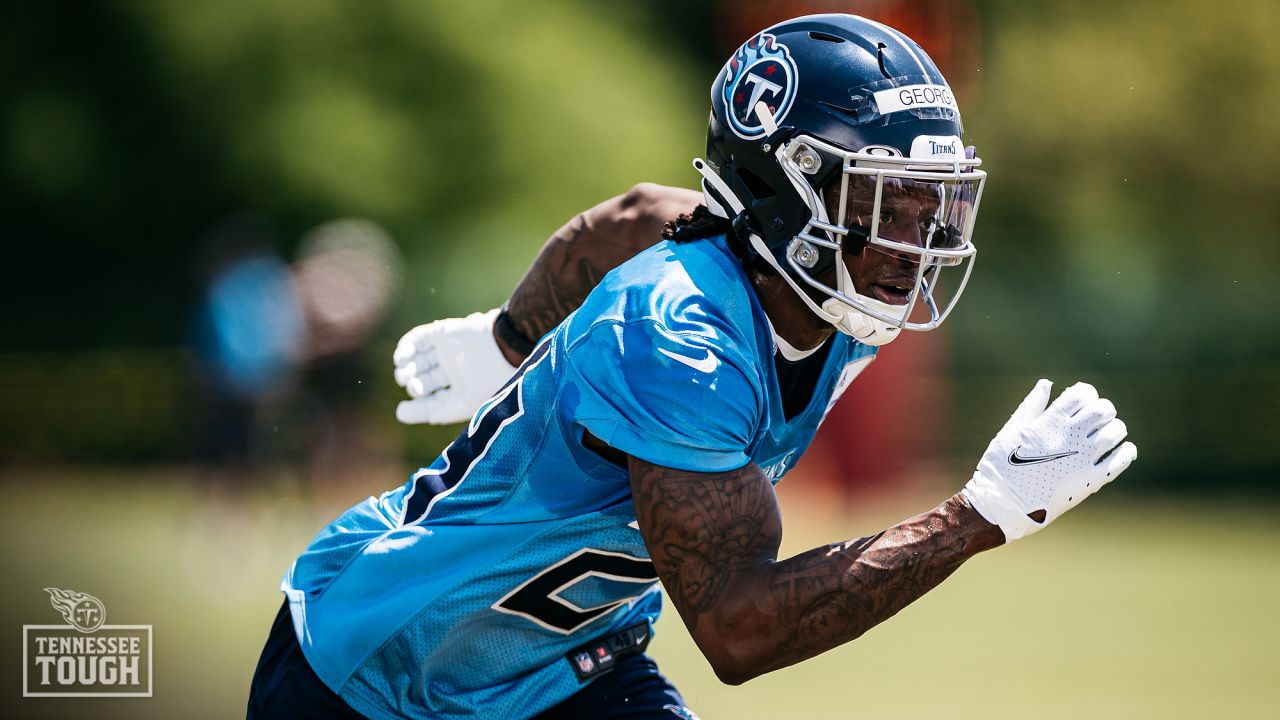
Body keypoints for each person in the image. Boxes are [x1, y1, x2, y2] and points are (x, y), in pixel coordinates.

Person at [248, 14, 1136, 719]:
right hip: (384, 672)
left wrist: (505, 343)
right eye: (885, 201)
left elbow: (633, 213)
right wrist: (975, 519)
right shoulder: (679, 335)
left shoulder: (804, 266)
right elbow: (737, 631)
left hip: (569, 669)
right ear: (787, 191)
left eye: (929, 204)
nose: (917, 242)